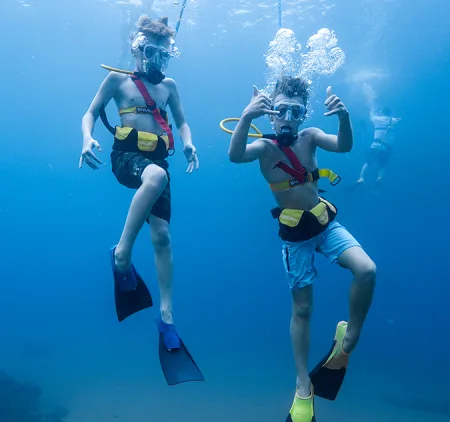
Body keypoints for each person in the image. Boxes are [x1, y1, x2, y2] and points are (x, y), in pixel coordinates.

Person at [227, 77, 376, 421]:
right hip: (296, 237)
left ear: (303, 114)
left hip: (325, 224)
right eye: (281, 110)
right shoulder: (265, 147)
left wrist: (343, 118)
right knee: (303, 310)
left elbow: (343, 146)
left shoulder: (310, 137)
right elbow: (235, 156)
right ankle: (302, 384)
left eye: (296, 111)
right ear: (272, 114)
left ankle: (349, 334)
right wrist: (247, 117)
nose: (288, 118)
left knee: (367, 270)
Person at [79, 14, 203, 386]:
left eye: (163, 56)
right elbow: (90, 112)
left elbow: (181, 121)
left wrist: (188, 142)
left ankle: (167, 318)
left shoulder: (169, 86)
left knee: (163, 236)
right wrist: (87, 139)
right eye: (149, 52)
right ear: (136, 49)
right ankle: (122, 255)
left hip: (158, 159)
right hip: (127, 158)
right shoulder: (117, 79)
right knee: (157, 176)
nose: (155, 61)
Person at [356, 105, 401, 185]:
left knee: (367, 162)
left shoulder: (376, 119)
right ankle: (379, 178)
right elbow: (400, 119)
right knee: (382, 165)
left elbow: (371, 115)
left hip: (376, 145)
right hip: (387, 147)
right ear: (389, 113)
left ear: (382, 112)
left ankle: (361, 178)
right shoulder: (393, 120)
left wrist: (373, 110)